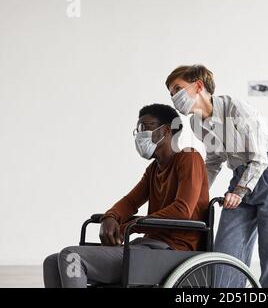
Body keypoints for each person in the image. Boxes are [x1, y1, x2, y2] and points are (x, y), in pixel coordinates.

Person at [43, 104, 209, 287]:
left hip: (173, 251)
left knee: (71, 256)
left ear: (166, 131)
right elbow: (130, 202)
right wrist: (110, 217)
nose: (140, 134)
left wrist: (129, 227)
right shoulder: (154, 169)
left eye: (145, 127)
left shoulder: (189, 158)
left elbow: (182, 210)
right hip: (147, 247)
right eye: (138, 129)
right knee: (51, 262)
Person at [166, 64, 268, 288]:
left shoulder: (236, 109)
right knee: (226, 255)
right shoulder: (195, 123)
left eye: (177, 89)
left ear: (198, 86)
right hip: (240, 176)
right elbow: (214, 160)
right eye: (171, 94)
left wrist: (239, 191)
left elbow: (259, 158)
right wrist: (197, 194)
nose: (174, 98)